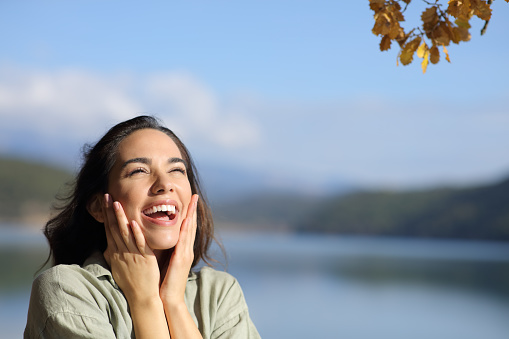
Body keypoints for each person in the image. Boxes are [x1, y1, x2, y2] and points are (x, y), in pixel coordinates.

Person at [24, 115, 261, 339]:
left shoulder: (218, 294)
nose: (165, 184)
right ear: (97, 206)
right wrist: (145, 301)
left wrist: (174, 302)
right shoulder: (67, 290)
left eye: (177, 170)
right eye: (139, 170)